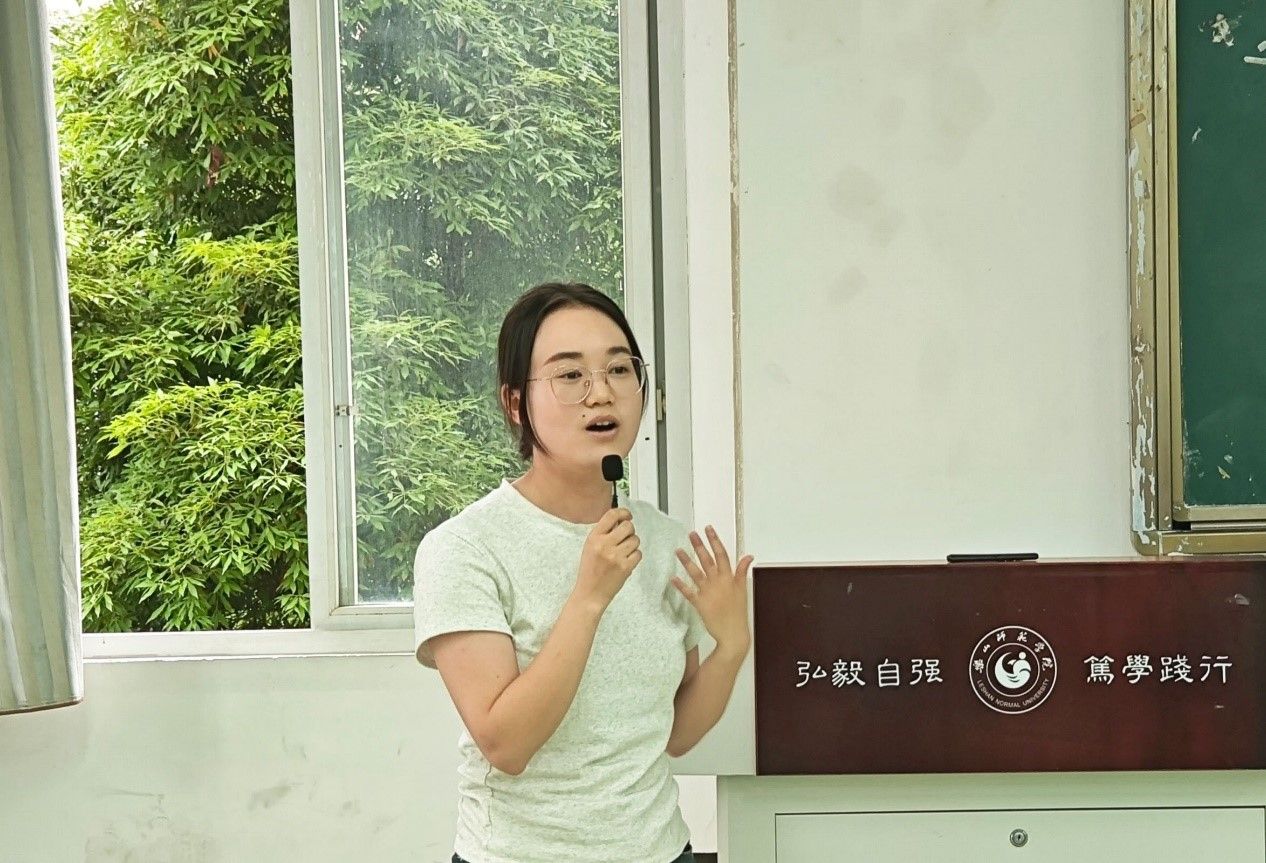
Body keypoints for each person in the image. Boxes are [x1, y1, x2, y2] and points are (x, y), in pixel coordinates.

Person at [413, 282, 753, 863]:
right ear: (514, 403)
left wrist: (731, 646)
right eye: (570, 375)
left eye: (619, 369)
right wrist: (588, 599)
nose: (601, 393)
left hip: (661, 851)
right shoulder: (464, 548)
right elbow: (506, 745)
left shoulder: (666, 542)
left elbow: (673, 735)